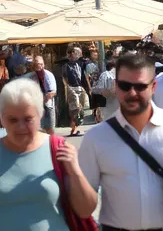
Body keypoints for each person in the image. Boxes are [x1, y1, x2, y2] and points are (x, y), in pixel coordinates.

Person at [79, 53, 163, 230]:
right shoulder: (96, 137)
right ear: (116, 86)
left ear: (153, 87)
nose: (132, 93)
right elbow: (84, 207)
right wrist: (73, 177)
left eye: (140, 86)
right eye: (125, 86)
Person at [0, 78, 97, 230]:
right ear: (1, 118)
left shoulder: (58, 149)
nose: (20, 127)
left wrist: (75, 172)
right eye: (12, 120)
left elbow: (86, 210)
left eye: (28, 119)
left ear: (40, 115)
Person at [62, 47, 89, 137]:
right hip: (72, 88)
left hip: (80, 87)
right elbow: (64, 78)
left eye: (73, 53)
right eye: (70, 53)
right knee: (75, 109)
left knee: (81, 109)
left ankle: (76, 128)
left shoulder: (80, 64)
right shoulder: (66, 66)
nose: (72, 55)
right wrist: (68, 88)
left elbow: (84, 76)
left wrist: (87, 88)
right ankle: (73, 129)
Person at [26, 56, 56, 134]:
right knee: (38, 128)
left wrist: (44, 98)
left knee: (50, 127)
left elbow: (53, 91)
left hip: (48, 103)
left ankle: (51, 143)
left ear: (43, 64)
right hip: (36, 104)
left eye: (40, 64)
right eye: (36, 64)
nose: (39, 66)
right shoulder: (31, 76)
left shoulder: (49, 75)